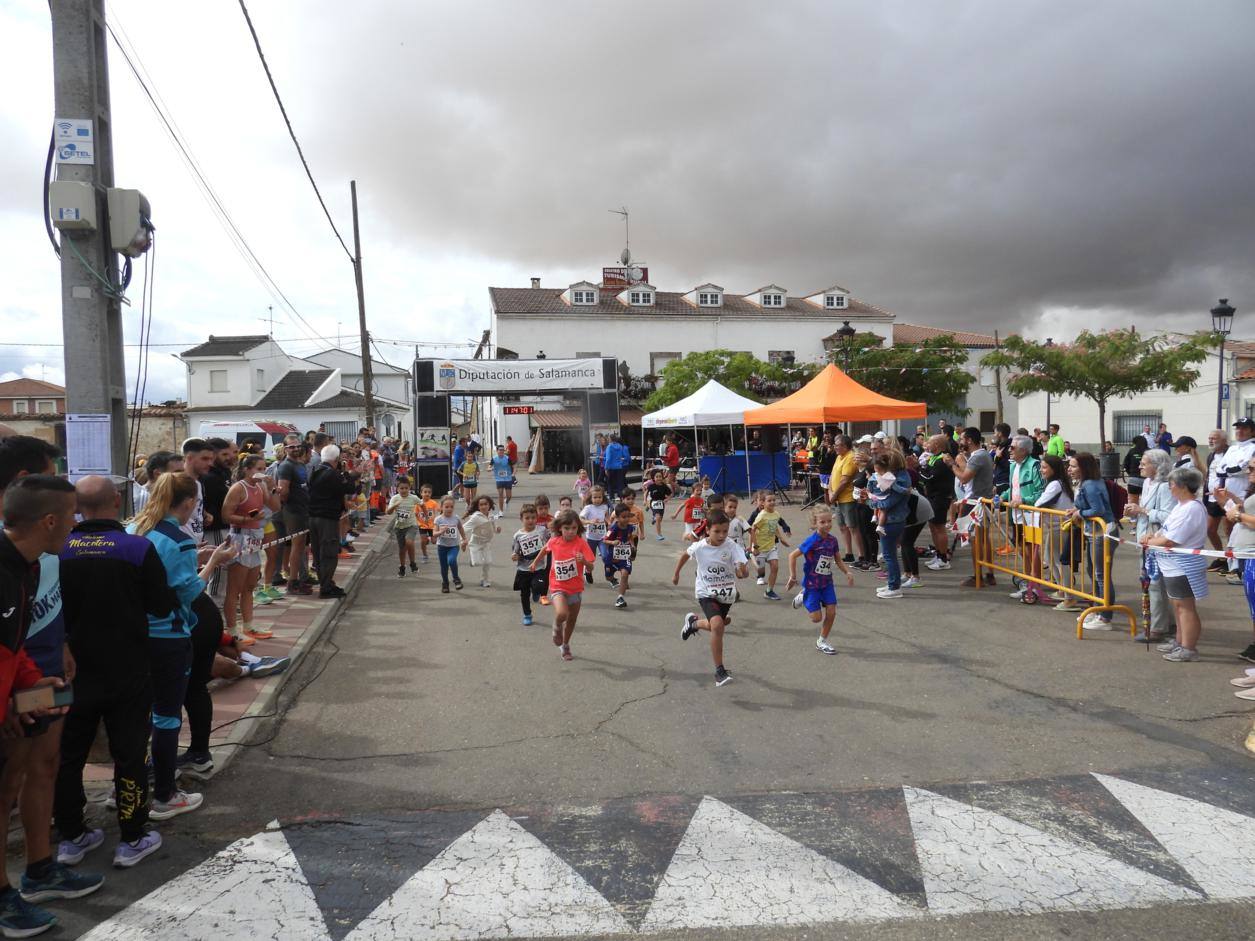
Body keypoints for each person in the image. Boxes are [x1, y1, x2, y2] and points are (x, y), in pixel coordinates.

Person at [56, 475, 174, 871]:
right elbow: (161, 606)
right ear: (117, 500)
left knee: (68, 754)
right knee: (129, 752)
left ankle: (71, 836)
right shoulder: (136, 547)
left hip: (70, 668)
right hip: (127, 667)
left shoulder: (58, 550)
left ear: (76, 506)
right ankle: (133, 835)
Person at [0, 475, 95, 934]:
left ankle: (40, 870)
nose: (78, 523)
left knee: (37, 770)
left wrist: (36, 681)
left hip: (27, 685)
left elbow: (12, 646)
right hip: (7, 705)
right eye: (73, 514)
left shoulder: (30, 565)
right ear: (51, 520)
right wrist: (11, 706)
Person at [129, 473, 237, 822]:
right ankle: (165, 794)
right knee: (166, 715)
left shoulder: (134, 529)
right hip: (169, 634)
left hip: (134, 634)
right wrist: (212, 563)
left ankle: (132, 788)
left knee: (135, 716)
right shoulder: (179, 539)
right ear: (189, 502)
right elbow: (189, 592)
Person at [675, 509, 748, 687]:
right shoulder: (700, 546)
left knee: (716, 625)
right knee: (717, 625)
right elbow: (686, 554)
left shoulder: (731, 546)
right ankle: (719, 671)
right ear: (707, 529)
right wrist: (676, 573)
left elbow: (742, 567)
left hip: (726, 594)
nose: (722, 535)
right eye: (717, 531)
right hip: (705, 592)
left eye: (725, 531)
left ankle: (693, 623)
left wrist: (742, 571)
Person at [1142, 467, 1209, 662]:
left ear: (1182, 486)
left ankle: (1188, 647)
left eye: (1172, 484)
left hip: (1183, 565)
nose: (1170, 488)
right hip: (1172, 564)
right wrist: (1152, 536)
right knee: (1178, 605)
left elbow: (1171, 540)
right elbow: (1165, 532)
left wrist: (1149, 542)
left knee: (1185, 607)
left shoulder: (1192, 508)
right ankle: (1180, 642)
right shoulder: (1181, 506)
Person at [221, 455, 281, 642]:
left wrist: (272, 487)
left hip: (255, 537)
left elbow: (276, 507)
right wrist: (248, 519)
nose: (262, 473)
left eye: (264, 469)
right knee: (234, 588)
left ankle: (248, 625)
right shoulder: (238, 488)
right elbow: (226, 515)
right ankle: (232, 630)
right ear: (247, 469)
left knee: (250, 585)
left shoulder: (260, 486)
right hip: (240, 537)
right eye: (258, 469)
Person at [785, 507, 855, 654]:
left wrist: (847, 571)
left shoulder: (832, 540)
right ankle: (804, 596)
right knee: (816, 618)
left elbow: (838, 559)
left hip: (827, 583)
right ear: (815, 523)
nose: (827, 525)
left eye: (829, 521)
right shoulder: (812, 541)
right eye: (822, 522)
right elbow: (792, 556)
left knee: (832, 612)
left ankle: (822, 640)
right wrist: (793, 577)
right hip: (812, 585)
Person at [1124, 449, 1176, 642]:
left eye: (1144, 463)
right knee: (1152, 584)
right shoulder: (1147, 482)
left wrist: (1143, 510)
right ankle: (1166, 622)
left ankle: (1157, 628)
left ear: (1158, 466)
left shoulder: (1164, 486)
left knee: (1154, 585)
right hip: (1145, 539)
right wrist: (1134, 512)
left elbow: (1169, 516)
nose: (1140, 466)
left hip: (1158, 541)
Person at [529, 509, 595, 662]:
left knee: (572, 619)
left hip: (576, 588)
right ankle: (557, 626)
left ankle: (565, 645)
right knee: (562, 614)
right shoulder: (554, 541)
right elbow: (544, 550)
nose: (571, 531)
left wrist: (584, 561)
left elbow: (591, 568)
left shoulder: (581, 544)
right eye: (567, 528)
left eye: (574, 528)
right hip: (558, 586)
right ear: (560, 528)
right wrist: (534, 562)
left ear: (578, 528)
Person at [1068, 452, 1118, 631]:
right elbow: (1089, 505)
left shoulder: (1089, 484)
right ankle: (1098, 610)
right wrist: (1077, 509)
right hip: (1094, 532)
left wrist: (1079, 513)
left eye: (1073, 466)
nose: (1070, 469)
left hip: (1102, 533)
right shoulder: (1087, 483)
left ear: (1084, 468)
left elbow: (1098, 509)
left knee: (1100, 575)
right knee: (1093, 571)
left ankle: (1105, 617)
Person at [307, 446, 360, 599]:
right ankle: (326, 587)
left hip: (313, 517)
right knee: (329, 553)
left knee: (318, 553)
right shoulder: (332, 474)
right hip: (327, 518)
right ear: (336, 459)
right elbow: (349, 488)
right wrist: (348, 474)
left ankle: (326, 583)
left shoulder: (314, 471)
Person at [946, 428, 996, 587]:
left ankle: (978, 576)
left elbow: (964, 478)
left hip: (975, 503)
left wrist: (952, 464)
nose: (960, 442)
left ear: (969, 440)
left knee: (975, 540)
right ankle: (989, 574)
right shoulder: (983, 455)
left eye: (962, 439)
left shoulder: (978, 456)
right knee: (983, 539)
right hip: (982, 502)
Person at [1003, 435, 1046, 603]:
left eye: (1013, 447)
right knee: (1022, 548)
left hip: (1030, 514)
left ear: (1024, 450)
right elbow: (1012, 488)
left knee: (1032, 549)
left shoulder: (1034, 465)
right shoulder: (1014, 465)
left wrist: (1025, 501)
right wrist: (1001, 496)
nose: (1009, 450)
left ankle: (1034, 584)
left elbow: (1041, 491)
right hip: (1017, 514)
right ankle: (1027, 581)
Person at [867, 450, 911, 599]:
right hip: (892, 520)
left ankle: (894, 587)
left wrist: (870, 501)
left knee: (889, 555)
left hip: (893, 521)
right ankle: (893, 583)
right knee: (889, 554)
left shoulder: (897, 480)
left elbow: (886, 503)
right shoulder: (895, 478)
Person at [1225, 455, 1255, 663]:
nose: (1248, 470)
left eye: (1253, 467)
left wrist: (1238, 515)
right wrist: (1232, 504)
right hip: (1247, 554)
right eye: (1249, 467)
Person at [275, 441, 312, 597]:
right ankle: (292, 582)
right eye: (291, 447)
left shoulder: (300, 464)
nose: (295, 449)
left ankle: (297, 579)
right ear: (285, 449)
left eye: (297, 446)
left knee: (301, 546)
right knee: (297, 547)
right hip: (293, 511)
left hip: (303, 510)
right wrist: (289, 506)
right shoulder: (286, 466)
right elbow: (283, 491)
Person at [919, 435, 955, 571]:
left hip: (940, 497)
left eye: (930, 442)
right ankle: (938, 554)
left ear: (938, 445)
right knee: (933, 526)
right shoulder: (933, 457)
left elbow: (929, 477)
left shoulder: (942, 459)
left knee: (939, 527)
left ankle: (944, 559)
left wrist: (919, 468)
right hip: (933, 496)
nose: (927, 444)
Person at [750, 491, 790, 600]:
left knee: (775, 566)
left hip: (771, 546)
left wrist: (782, 539)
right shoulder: (761, 515)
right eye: (769, 500)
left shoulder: (776, 514)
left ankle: (769, 591)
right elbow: (752, 530)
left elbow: (775, 527)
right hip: (760, 548)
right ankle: (752, 556)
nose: (772, 502)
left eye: (774, 500)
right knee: (761, 571)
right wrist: (755, 547)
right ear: (763, 503)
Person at [827, 435, 861, 564]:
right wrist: (830, 491)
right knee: (842, 527)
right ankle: (849, 553)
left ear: (845, 446)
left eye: (838, 445)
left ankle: (861, 555)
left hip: (847, 498)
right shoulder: (838, 457)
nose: (835, 447)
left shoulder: (850, 457)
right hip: (838, 498)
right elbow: (832, 476)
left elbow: (845, 480)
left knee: (852, 526)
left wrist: (833, 495)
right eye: (835, 444)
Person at [510, 504, 547, 626]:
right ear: (521, 519)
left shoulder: (541, 530)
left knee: (538, 587)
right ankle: (527, 614)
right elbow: (515, 552)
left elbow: (549, 543)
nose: (530, 520)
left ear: (536, 518)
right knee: (524, 593)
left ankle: (536, 591)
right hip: (523, 569)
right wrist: (514, 556)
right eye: (527, 518)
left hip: (539, 567)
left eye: (533, 517)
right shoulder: (518, 535)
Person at [602, 503, 637, 608]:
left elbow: (630, 537)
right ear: (617, 517)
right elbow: (604, 540)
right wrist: (613, 543)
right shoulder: (613, 528)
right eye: (623, 517)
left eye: (628, 516)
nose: (626, 519)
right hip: (612, 556)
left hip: (624, 556)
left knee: (625, 574)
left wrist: (632, 545)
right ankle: (612, 579)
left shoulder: (630, 527)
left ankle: (620, 597)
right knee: (608, 577)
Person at [387, 478, 422, 577]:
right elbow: (388, 512)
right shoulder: (395, 498)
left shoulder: (413, 497)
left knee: (409, 542)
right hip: (399, 527)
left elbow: (422, 504)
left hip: (411, 525)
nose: (404, 490)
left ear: (409, 488)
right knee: (402, 550)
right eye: (401, 488)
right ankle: (402, 567)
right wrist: (394, 506)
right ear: (397, 489)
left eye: (406, 488)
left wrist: (425, 515)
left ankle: (413, 563)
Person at [464, 496, 501, 588]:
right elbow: (463, 528)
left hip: (486, 543)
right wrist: (463, 540)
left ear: (489, 505)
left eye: (486, 504)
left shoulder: (491, 516)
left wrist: (497, 529)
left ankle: (485, 580)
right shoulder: (475, 517)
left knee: (488, 562)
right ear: (478, 506)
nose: (484, 506)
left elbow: (494, 528)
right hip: (475, 543)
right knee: (477, 563)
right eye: (481, 505)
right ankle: (473, 562)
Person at [1204, 429, 1231, 558]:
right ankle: (1222, 558)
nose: (1210, 440)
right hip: (1212, 497)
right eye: (1209, 438)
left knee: (1229, 530)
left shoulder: (1231, 454)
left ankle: (1234, 562)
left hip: (1227, 497)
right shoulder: (1211, 455)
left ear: (1224, 440)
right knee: (1210, 530)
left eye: (1214, 438)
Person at [433, 496, 466, 593]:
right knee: (444, 567)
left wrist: (464, 539)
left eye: (451, 507)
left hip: (453, 546)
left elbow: (460, 528)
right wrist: (441, 532)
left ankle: (456, 579)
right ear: (441, 507)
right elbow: (434, 534)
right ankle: (445, 583)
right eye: (446, 507)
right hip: (442, 547)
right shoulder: (438, 520)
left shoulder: (456, 518)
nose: (449, 509)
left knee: (451, 561)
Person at [579, 486, 611, 584]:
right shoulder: (588, 508)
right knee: (590, 559)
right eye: (595, 497)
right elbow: (580, 519)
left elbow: (606, 517)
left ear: (603, 497)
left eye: (599, 497)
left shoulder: (605, 506)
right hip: (591, 538)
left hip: (602, 537)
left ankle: (608, 573)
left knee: (606, 556)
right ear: (590, 498)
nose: (597, 500)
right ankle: (588, 572)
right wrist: (590, 521)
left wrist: (609, 522)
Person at [603, 434, 630, 499]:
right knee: (619, 483)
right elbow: (622, 456)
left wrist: (606, 468)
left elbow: (608, 458)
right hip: (619, 467)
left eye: (608, 438)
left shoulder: (609, 446)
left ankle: (611, 497)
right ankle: (620, 497)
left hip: (611, 467)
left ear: (610, 439)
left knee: (610, 483)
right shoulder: (620, 446)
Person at [491, 445, 513, 517]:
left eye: (503, 450)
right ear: (497, 451)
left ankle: (506, 501)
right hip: (499, 478)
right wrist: (489, 468)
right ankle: (501, 511)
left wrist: (513, 473)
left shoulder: (507, 458)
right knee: (500, 494)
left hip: (508, 478)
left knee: (509, 496)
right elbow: (490, 465)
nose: (501, 451)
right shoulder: (494, 458)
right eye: (500, 450)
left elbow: (513, 466)